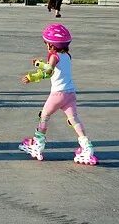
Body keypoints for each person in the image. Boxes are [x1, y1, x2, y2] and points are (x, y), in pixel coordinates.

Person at [18, 24, 97, 165]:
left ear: (51, 45)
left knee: (44, 116)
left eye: (46, 43)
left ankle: (38, 143)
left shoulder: (53, 55)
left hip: (58, 94)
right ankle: (87, 147)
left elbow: (49, 70)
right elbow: (52, 70)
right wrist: (36, 69)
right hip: (70, 93)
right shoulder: (67, 55)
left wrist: (35, 71)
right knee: (74, 119)